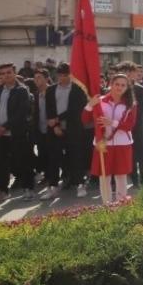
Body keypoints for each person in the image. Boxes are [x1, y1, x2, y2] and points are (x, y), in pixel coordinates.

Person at [84, 73, 137, 205]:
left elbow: (130, 125)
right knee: (104, 177)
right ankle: (106, 204)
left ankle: (121, 203)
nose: (119, 87)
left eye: (123, 85)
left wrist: (112, 123)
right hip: (103, 143)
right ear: (110, 84)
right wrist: (90, 105)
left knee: (121, 176)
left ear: (127, 87)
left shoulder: (131, 104)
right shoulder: (100, 101)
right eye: (117, 84)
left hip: (122, 144)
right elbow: (85, 119)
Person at [47, 63, 88, 197]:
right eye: (60, 75)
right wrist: (55, 126)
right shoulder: (51, 90)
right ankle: (52, 186)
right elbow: (49, 110)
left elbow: (76, 110)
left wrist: (58, 119)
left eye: (66, 75)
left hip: (74, 128)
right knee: (53, 158)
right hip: (56, 130)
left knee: (76, 157)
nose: (63, 78)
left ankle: (80, 185)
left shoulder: (78, 89)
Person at [0, 62, 32, 202]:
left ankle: (28, 189)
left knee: (22, 161)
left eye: (9, 72)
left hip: (16, 133)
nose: (6, 75)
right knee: (1, 164)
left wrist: (5, 126)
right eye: (3, 73)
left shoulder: (22, 90)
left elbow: (21, 113)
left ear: (14, 73)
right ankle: (3, 190)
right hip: (0, 135)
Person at [31, 69, 58, 198]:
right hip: (41, 130)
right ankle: (47, 177)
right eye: (35, 78)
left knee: (53, 156)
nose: (37, 80)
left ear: (47, 78)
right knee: (43, 155)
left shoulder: (53, 92)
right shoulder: (36, 94)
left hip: (52, 130)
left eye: (40, 77)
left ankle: (54, 182)